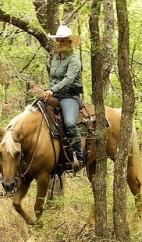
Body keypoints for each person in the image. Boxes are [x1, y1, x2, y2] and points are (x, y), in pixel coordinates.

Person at [41, 25, 83, 171]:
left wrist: (52, 90)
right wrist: (47, 91)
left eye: (62, 41)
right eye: (57, 41)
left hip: (69, 96)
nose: (59, 44)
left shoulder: (74, 60)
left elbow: (68, 79)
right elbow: (53, 79)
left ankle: (79, 156)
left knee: (70, 123)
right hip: (54, 94)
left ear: (69, 42)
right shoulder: (55, 59)